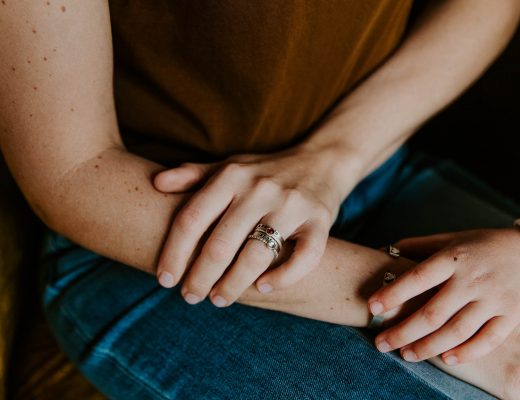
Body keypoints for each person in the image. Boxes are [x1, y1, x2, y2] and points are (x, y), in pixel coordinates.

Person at [1, 0, 519, 399]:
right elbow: (72, 173)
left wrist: (332, 158)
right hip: (148, 244)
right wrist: (427, 302)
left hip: (376, 153)